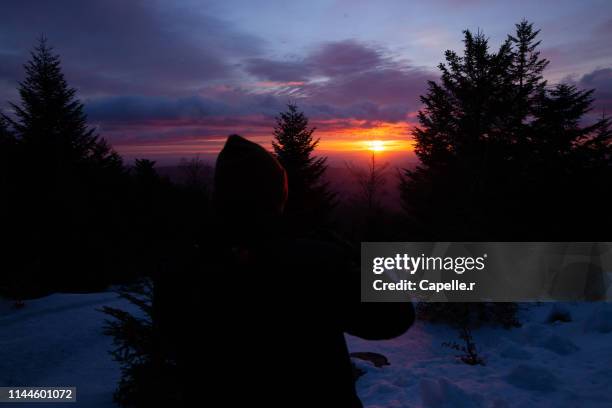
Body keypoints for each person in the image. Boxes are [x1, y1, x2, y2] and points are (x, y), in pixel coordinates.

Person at [165, 135, 414, 407]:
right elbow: (396, 315)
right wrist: (355, 258)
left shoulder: (183, 268)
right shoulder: (313, 265)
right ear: (276, 198)